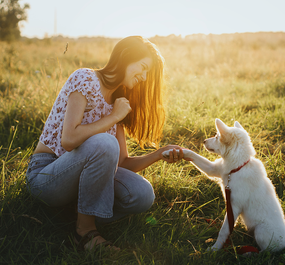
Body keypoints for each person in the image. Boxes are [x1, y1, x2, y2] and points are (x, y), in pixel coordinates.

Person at [25, 36, 184, 251]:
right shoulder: (86, 79)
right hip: (47, 175)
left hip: (82, 177)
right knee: (105, 142)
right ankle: (84, 232)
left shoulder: (118, 101)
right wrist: (113, 117)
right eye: (143, 68)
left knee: (142, 194)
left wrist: (158, 154)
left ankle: (77, 211)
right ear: (126, 57)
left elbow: (121, 162)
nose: (144, 77)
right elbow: (69, 140)